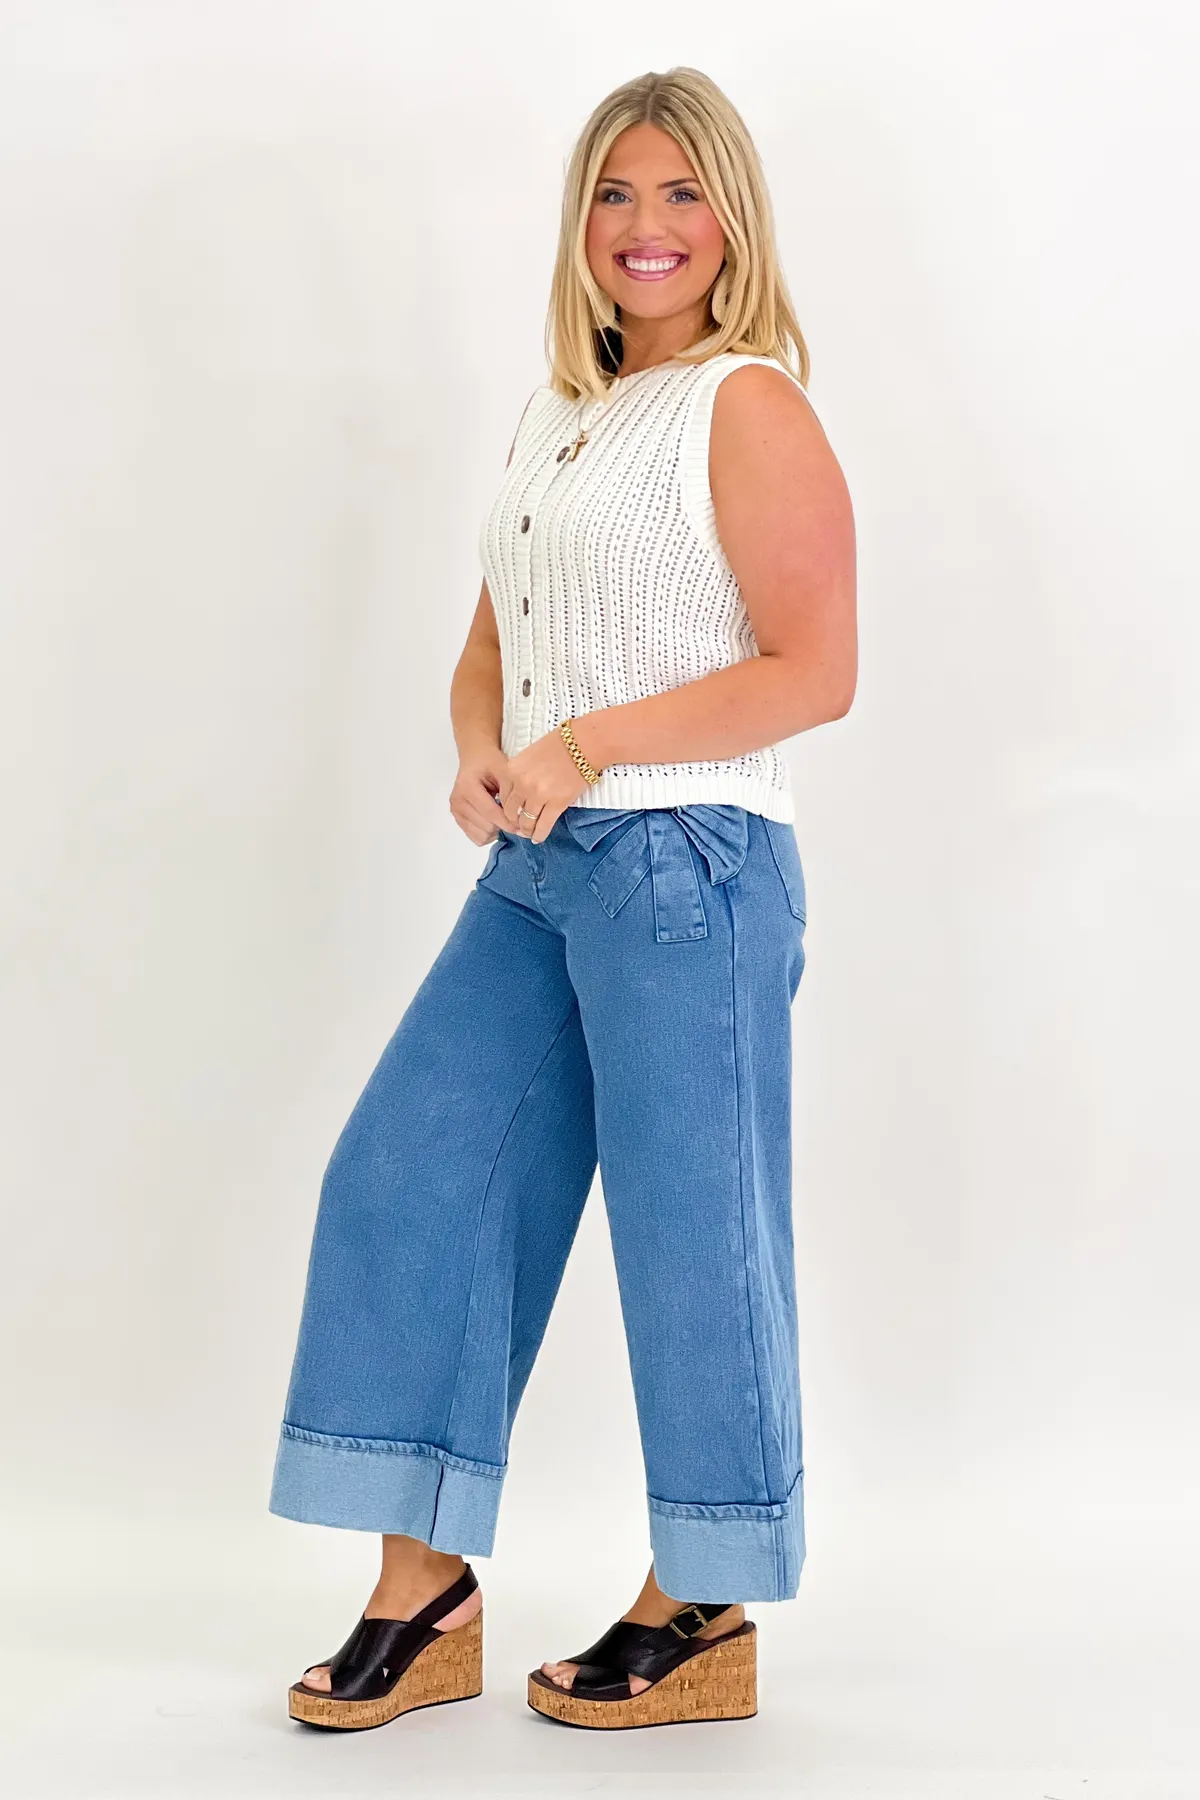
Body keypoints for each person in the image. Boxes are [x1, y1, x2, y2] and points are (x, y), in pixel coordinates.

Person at [269, 63, 857, 1734]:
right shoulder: (561, 412)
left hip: (691, 869)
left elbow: (816, 672)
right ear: (580, 223)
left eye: (679, 192)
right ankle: (425, 1587)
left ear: (732, 219)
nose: (644, 226)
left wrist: (584, 747)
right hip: (539, 867)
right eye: (614, 192)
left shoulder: (748, 404)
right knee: (407, 1174)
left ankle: (705, 1597)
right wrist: (486, 753)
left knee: (693, 1241)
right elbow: (492, 643)